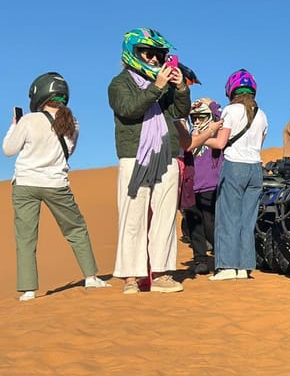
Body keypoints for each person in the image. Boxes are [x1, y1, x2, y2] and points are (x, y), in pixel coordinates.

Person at [3, 72, 109, 301]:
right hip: (56, 184)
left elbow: (9, 150)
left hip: (25, 184)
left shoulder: (28, 120)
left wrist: (14, 125)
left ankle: (29, 290)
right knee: (76, 229)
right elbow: (68, 152)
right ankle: (91, 277)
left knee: (26, 238)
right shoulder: (74, 122)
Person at [108, 27, 191, 295]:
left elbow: (180, 112)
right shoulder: (119, 84)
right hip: (135, 156)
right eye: (148, 53)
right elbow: (129, 110)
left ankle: (162, 274)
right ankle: (131, 277)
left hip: (166, 155)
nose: (154, 59)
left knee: (165, 216)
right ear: (133, 52)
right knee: (133, 217)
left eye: (159, 54)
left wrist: (179, 88)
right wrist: (157, 87)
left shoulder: (163, 86)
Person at [203, 69, 268, 281]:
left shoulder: (231, 111)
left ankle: (227, 267)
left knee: (228, 216)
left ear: (231, 90)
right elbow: (260, 144)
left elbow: (220, 143)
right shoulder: (262, 114)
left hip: (234, 166)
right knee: (247, 220)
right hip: (255, 169)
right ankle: (244, 267)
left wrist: (201, 138)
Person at [175, 99, 224, 275]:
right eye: (194, 118)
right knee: (194, 225)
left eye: (202, 117)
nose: (197, 121)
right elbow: (177, 119)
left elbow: (221, 117)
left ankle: (220, 258)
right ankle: (200, 260)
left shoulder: (215, 134)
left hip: (211, 186)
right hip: (190, 186)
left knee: (211, 224)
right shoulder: (187, 134)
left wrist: (211, 104)